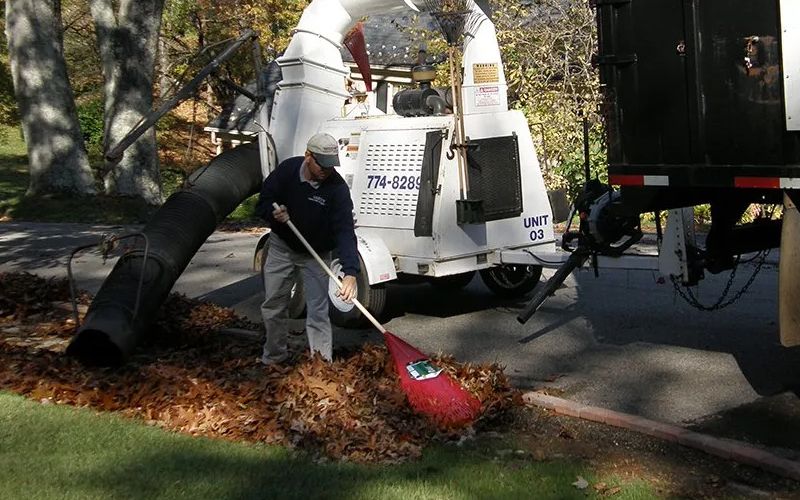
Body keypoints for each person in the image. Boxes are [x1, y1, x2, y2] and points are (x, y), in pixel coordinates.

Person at [255, 132, 359, 365]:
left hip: (317, 254)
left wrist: (350, 273)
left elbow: (345, 231)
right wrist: (274, 214)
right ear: (308, 156)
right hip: (282, 247)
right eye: (322, 164)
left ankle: (321, 364)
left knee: (318, 310)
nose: (326, 170)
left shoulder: (337, 189)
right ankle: (274, 357)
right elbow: (263, 201)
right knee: (274, 304)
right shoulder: (288, 171)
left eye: (331, 165)